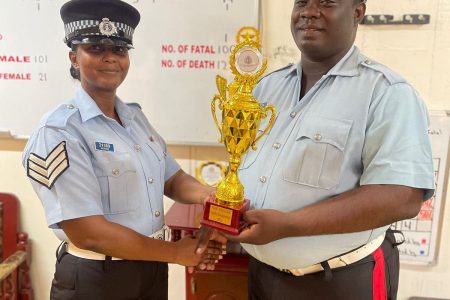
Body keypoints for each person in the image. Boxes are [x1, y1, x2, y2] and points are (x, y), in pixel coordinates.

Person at [226, 0, 435, 299]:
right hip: (262, 274)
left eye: (326, 2)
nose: (309, 12)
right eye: (301, 2)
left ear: (357, 12)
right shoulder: (265, 88)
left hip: (339, 280)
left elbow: (401, 197)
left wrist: (287, 226)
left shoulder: (386, 93)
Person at [22, 0, 224, 299]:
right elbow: (88, 232)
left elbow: (171, 178)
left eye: (119, 50)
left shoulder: (135, 117)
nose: (110, 59)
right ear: (74, 58)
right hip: (98, 278)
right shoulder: (59, 131)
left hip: (151, 268)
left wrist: (211, 195)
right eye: (95, 49)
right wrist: (175, 253)